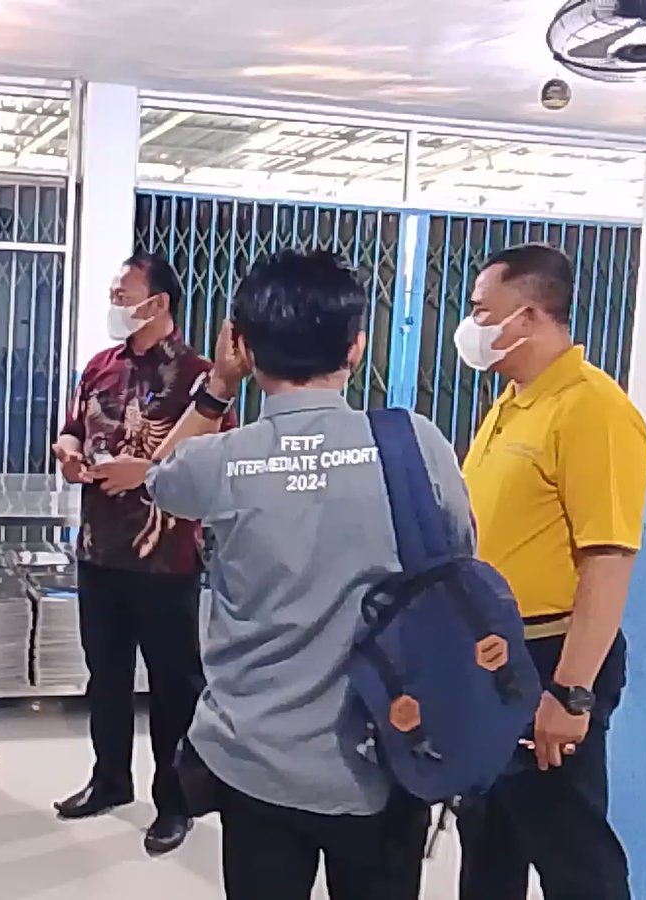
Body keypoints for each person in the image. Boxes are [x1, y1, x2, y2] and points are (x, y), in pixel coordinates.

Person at [145, 250, 470, 899]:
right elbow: (459, 561)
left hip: (255, 764)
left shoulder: (222, 461)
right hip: (385, 757)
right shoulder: (416, 444)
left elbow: (159, 476)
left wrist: (218, 386)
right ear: (356, 348)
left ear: (243, 346)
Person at [452, 243, 646, 900]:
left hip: (550, 660)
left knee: (571, 851)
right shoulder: (514, 402)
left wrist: (572, 693)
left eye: (482, 311)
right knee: (489, 841)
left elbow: (609, 559)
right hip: (494, 658)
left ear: (530, 316)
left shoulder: (593, 410)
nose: (471, 326)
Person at [49, 252, 227, 856]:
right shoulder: (101, 366)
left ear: (158, 303)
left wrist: (147, 471)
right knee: (106, 676)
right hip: (99, 550)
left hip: (165, 559)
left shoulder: (201, 378)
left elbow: (212, 464)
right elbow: (73, 426)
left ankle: (175, 801)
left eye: (123, 294)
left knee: (174, 685)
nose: (115, 304)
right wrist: (68, 451)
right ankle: (109, 779)